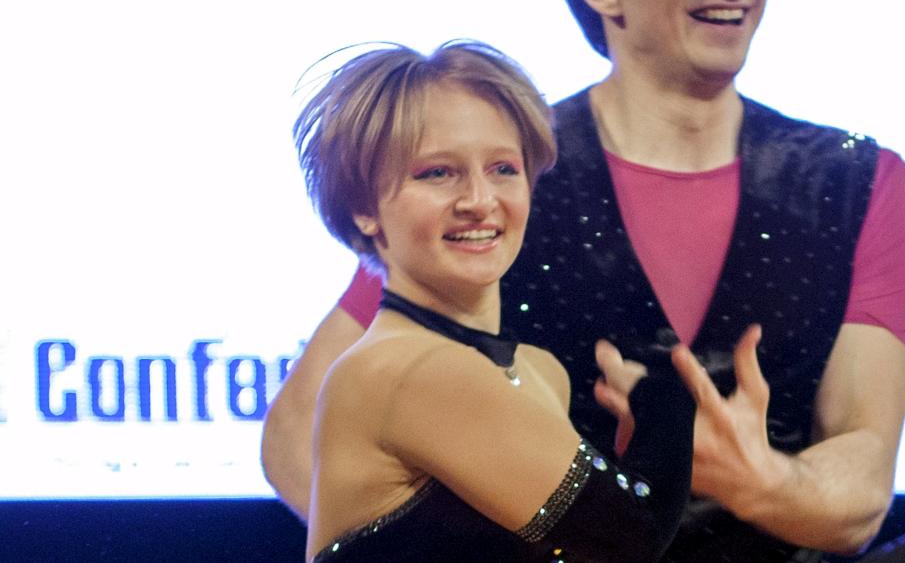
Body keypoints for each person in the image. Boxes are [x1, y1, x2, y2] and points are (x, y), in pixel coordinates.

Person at [264, 0, 905, 560]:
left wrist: (762, 479)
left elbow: (863, 482)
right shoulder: (493, 176)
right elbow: (299, 433)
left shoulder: (860, 182)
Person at [293, 40, 699, 562]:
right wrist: (667, 398)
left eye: (503, 168)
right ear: (363, 207)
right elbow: (627, 534)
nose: (480, 202)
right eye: (437, 172)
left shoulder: (537, 371)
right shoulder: (403, 369)